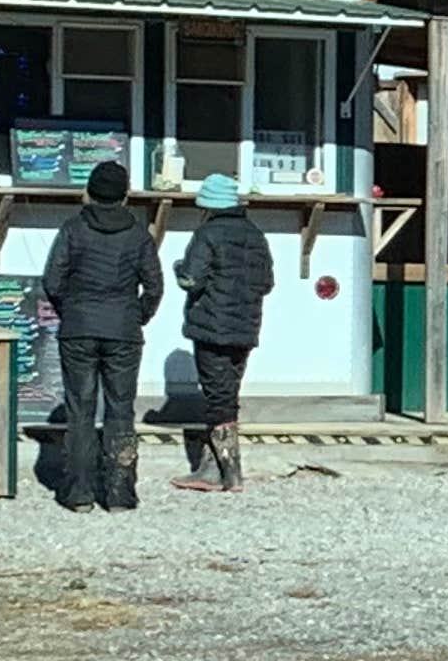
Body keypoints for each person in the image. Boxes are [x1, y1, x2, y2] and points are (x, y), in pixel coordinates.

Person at [37, 157, 163, 512]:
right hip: (123, 328)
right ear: (125, 196)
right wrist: (137, 316)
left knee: (80, 409)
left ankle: (79, 493)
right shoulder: (139, 234)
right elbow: (154, 286)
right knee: (121, 409)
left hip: (79, 327)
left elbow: (52, 281)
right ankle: (121, 494)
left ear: (89, 193)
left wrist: (72, 311)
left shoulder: (73, 229)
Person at [171, 174, 275, 494]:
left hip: (212, 327)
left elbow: (191, 280)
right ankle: (212, 466)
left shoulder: (207, 234)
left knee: (217, 397)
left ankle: (229, 473)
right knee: (228, 391)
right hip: (246, 327)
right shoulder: (256, 235)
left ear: (208, 206)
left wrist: (178, 267)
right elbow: (267, 283)